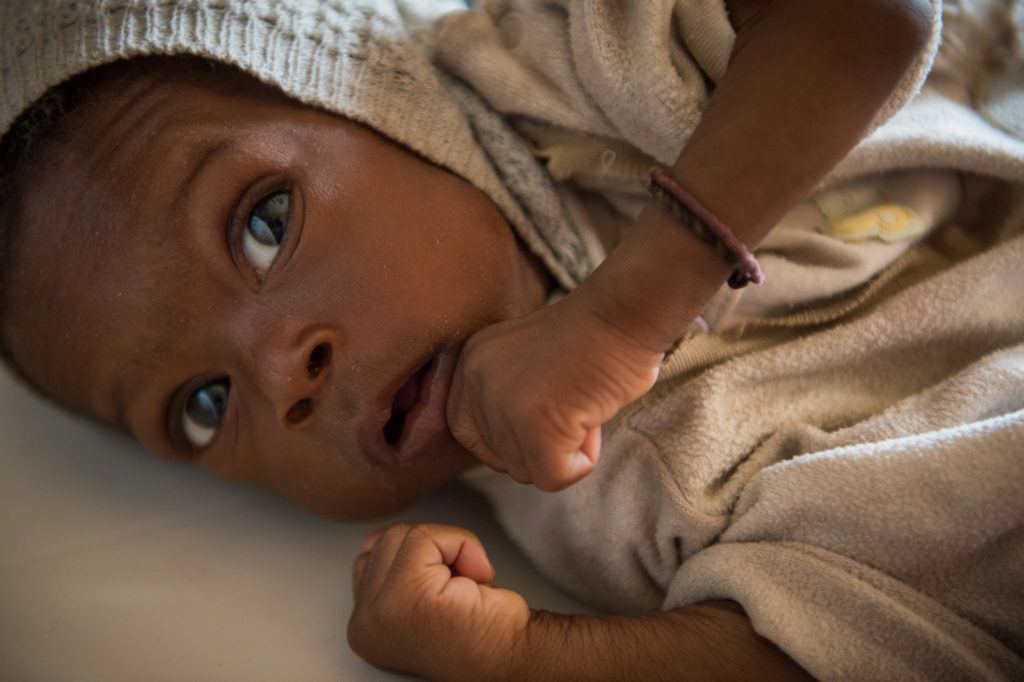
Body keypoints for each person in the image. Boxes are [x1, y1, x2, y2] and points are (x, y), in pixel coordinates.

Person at [1, 0, 1022, 679]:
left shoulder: (564, 65)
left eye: (264, 224)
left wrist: (631, 305)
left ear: (369, 100)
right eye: (202, 405)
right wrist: (522, 656)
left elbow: (868, 19)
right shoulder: (593, 501)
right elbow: (857, 642)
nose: (280, 376)